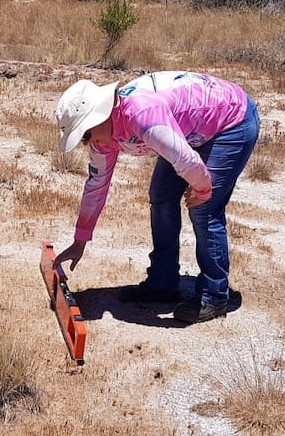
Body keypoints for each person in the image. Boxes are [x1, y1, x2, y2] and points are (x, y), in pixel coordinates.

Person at [52, 71, 260, 324]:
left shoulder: (141, 116)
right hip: (191, 132)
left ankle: (214, 295)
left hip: (230, 121)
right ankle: (163, 284)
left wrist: (202, 189)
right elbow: (96, 186)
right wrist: (80, 240)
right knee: (161, 196)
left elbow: (184, 159)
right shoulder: (103, 138)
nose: (86, 143)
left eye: (84, 134)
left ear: (99, 116)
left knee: (204, 209)